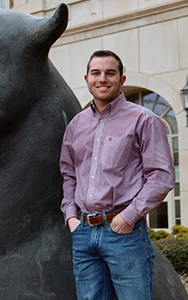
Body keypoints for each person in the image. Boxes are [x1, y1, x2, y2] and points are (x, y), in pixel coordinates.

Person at [60, 50, 175, 300]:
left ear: (121, 80)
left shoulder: (144, 120)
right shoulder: (75, 126)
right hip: (83, 233)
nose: (103, 78)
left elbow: (162, 176)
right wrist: (71, 217)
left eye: (110, 73)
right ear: (87, 78)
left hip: (125, 233)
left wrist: (129, 216)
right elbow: (69, 175)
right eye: (96, 73)